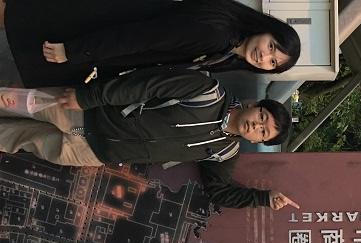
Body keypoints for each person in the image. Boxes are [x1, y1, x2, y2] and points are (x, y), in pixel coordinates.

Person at [0, 66, 299, 210]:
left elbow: (218, 192)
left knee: (15, 139)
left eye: (263, 132)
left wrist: (262, 198)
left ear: (258, 140)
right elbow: (145, 86)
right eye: (262, 117)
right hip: (87, 112)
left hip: (93, 152)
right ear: (255, 106)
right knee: (13, 103)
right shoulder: (207, 91)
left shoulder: (224, 151)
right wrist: (88, 97)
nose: (256, 126)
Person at [1, 0, 301, 87]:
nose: (265, 56)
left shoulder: (225, 47)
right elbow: (141, 38)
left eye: (273, 63)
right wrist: (75, 51)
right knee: (14, 25)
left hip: (98, 25)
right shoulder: (216, 35)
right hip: (89, 34)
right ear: (267, 29)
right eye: (272, 46)